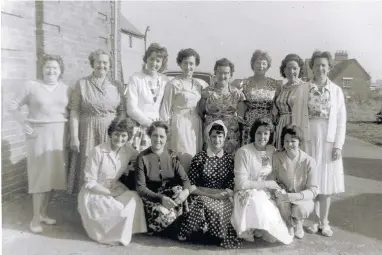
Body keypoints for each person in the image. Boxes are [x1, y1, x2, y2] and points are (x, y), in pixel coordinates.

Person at [8, 54, 70, 233]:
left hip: (59, 135)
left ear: (60, 71)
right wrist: (23, 123)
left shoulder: (66, 89)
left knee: (53, 177)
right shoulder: (31, 86)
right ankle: (34, 219)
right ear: (42, 69)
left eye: (55, 68)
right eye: (47, 67)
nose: (51, 71)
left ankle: (43, 213)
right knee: (39, 177)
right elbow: (13, 106)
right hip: (38, 135)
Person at [293, 51, 346, 237]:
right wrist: (298, 142)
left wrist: (338, 145)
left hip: (328, 140)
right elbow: (297, 118)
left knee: (326, 181)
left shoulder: (337, 91)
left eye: (323, 65)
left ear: (329, 67)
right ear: (312, 67)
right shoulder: (303, 89)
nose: (320, 68)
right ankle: (313, 221)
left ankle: (324, 221)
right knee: (310, 180)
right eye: (316, 65)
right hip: (308, 138)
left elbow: (341, 121)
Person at [78, 118, 147, 245]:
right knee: (114, 207)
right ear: (110, 134)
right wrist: (110, 193)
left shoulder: (128, 150)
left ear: (128, 136)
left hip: (116, 187)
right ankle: (112, 235)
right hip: (95, 193)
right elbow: (90, 182)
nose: (119, 139)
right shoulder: (97, 151)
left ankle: (125, 231)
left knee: (134, 198)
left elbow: (141, 157)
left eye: (124, 135)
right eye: (116, 134)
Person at [67, 49, 125, 194]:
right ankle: (85, 202)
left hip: (111, 131)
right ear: (92, 64)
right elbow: (74, 111)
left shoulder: (117, 85)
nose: (102, 65)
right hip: (88, 131)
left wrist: (119, 131)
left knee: (108, 165)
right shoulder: (82, 84)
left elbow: (122, 111)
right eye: (98, 62)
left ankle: (107, 201)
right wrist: (74, 137)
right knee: (88, 165)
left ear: (110, 65)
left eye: (105, 62)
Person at [178, 120, 241, 248]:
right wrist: (209, 193)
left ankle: (215, 235)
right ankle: (198, 233)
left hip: (222, 197)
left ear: (224, 139)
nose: (216, 140)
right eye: (213, 136)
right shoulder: (200, 157)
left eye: (220, 136)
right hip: (201, 196)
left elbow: (230, 187)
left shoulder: (229, 159)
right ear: (208, 137)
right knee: (201, 202)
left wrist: (220, 195)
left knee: (227, 207)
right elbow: (191, 185)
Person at [231, 119, 293, 244]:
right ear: (253, 133)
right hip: (246, 192)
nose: (262, 137)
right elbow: (241, 184)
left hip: (267, 191)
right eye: (259, 133)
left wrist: (275, 186)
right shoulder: (243, 152)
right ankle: (254, 227)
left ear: (270, 135)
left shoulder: (272, 150)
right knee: (256, 198)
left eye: (266, 133)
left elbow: (276, 174)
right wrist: (265, 184)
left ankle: (278, 226)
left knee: (280, 198)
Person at [135, 121, 194, 236]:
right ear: (149, 136)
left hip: (170, 196)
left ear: (167, 138)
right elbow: (140, 188)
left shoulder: (172, 156)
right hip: (152, 197)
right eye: (155, 135)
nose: (158, 139)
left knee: (181, 193)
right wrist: (161, 198)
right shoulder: (142, 158)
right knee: (165, 214)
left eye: (162, 136)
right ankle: (172, 225)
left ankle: (175, 224)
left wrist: (185, 192)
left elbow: (185, 180)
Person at [160, 48, 209, 171]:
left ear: (196, 65)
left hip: (195, 124)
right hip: (180, 124)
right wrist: (166, 130)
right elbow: (165, 109)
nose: (188, 67)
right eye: (185, 63)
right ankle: (181, 184)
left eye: (191, 63)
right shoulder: (174, 84)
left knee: (195, 154)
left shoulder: (199, 85)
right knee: (182, 154)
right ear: (180, 64)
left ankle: (192, 184)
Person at [272, 125, 318, 239]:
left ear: (299, 142)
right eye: (286, 141)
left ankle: (298, 222)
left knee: (300, 210)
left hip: (300, 199)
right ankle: (288, 224)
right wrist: (278, 189)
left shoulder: (309, 161)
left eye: (293, 141)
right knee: (282, 202)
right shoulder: (277, 157)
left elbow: (313, 190)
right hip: (283, 196)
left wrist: (294, 196)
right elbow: (272, 179)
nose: (289, 144)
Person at [125, 43, 170, 152]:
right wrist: (150, 124)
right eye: (152, 59)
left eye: (158, 61)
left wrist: (161, 125)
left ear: (162, 63)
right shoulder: (136, 78)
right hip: (140, 128)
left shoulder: (165, 80)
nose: (154, 63)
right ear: (146, 59)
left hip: (158, 131)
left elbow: (166, 106)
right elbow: (131, 109)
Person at [199, 58, 245, 154]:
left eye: (226, 73)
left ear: (231, 74)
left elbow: (241, 116)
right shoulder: (206, 92)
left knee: (229, 160)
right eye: (220, 72)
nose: (222, 76)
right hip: (211, 132)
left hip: (230, 134)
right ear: (215, 73)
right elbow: (200, 112)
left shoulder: (237, 94)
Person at [237, 50, 279, 146]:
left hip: (267, 124)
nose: (261, 66)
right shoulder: (244, 83)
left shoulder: (274, 84)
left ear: (268, 66)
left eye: (264, 63)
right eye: (258, 63)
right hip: (249, 124)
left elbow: (277, 106)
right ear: (252, 64)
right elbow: (241, 108)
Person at [273, 54, 305, 150]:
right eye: (288, 68)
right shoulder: (281, 88)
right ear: (284, 70)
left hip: (297, 125)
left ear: (300, 69)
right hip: (281, 126)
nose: (291, 72)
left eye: (295, 68)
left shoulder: (305, 87)